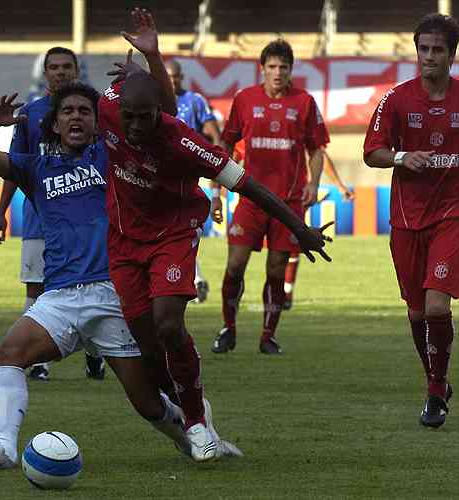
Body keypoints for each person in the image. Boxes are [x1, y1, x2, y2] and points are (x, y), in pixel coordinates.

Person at [0, 83, 240, 471]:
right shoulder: (35, 167)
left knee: (148, 404)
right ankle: (4, 449)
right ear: (54, 124)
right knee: (8, 352)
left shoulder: (114, 159)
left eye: (85, 111)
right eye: (68, 111)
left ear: (98, 123)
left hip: (113, 293)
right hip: (58, 297)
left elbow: (166, 116)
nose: (76, 116)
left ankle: (198, 435)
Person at [99, 13, 332, 461]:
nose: (134, 128)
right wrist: (144, 63)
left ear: (159, 115)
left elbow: (251, 186)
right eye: (128, 118)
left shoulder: (183, 141)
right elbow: (127, 99)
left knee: (169, 324)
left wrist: (300, 227)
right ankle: (191, 404)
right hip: (124, 240)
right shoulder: (110, 108)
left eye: (144, 119)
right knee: (146, 343)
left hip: (172, 234)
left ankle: (197, 421)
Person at [363, 13, 458, 428]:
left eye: (438, 50)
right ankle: (435, 377)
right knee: (417, 313)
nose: (429, 57)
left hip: (452, 215)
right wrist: (403, 157)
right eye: (424, 49)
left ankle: (436, 389)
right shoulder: (396, 99)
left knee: (437, 306)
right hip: (406, 219)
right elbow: (372, 152)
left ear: (452, 55)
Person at [0, 46, 107, 382]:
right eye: (53, 67)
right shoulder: (29, 114)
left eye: (66, 66)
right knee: (36, 286)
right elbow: (14, 166)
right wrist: (1, 212)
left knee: (94, 281)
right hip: (41, 217)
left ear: (77, 70)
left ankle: (96, 353)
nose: (60, 72)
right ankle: (38, 361)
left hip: (87, 215)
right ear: (45, 73)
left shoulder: (92, 109)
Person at [209, 39, 330, 355]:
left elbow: (317, 149)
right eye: (272, 67)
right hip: (250, 198)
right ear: (262, 69)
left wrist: (314, 183)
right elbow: (224, 147)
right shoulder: (245, 100)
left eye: (283, 67)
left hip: (288, 201)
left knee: (277, 269)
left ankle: (267, 335)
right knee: (235, 265)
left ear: (291, 70)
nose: (277, 73)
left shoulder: (304, 102)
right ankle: (228, 328)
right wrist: (216, 192)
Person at [166, 59, 222, 303]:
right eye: (167, 76)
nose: (172, 81)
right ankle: (191, 279)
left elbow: (215, 138)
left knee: (185, 230)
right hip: (157, 178)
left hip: (187, 179)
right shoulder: (151, 100)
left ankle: (193, 279)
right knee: (171, 232)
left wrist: (214, 172)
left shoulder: (195, 101)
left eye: (175, 77)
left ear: (181, 77)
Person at [282, 149, 354, 310]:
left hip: (295, 194)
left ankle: (285, 293)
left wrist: (339, 186)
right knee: (240, 256)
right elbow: (235, 150)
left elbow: (318, 152)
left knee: (290, 243)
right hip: (262, 194)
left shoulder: (300, 127)